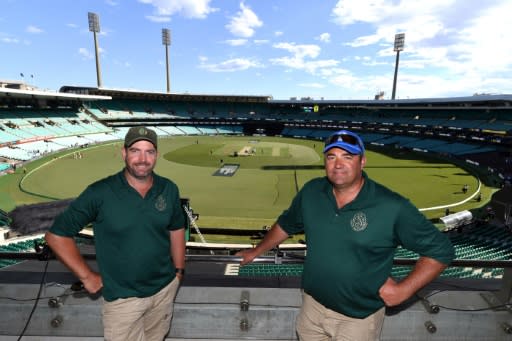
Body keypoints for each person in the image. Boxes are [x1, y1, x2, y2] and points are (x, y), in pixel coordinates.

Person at [236, 129, 455, 340]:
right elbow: (286, 224)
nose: (338, 164)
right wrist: (257, 251)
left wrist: (403, 291)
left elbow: (441, 250)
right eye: (331, 157)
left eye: (347, 156)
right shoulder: (312, 191)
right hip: (312, 306)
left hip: (357, 319)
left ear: (362, 162)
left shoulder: (392, 206)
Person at [45, 126, 186, 341]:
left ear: (156, 155)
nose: (142, 158)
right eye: (135, 151)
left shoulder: (169, 189)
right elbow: (57, 235)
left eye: (149, 152)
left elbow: (176, 227)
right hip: (123, 300)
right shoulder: (100, 192)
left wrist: (178, 271)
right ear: (124, 153)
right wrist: (87, 276)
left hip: (164, 291)